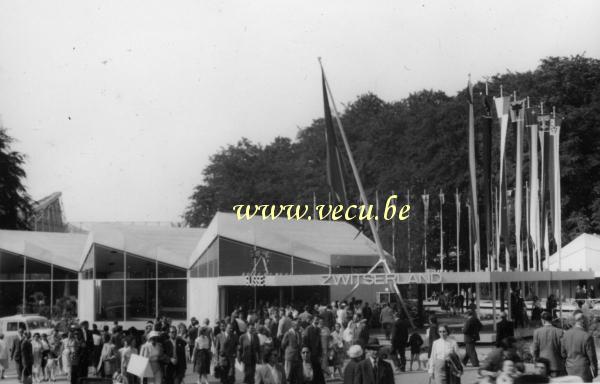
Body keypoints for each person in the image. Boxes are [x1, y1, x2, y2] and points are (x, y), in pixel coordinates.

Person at [560, 312, 598, 382]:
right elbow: (592, 357)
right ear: (583, 321)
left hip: (569, 369)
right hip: (583, 371)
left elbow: (563, 354)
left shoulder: (566, 335)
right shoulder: (587, 336)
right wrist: (595, 371)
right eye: (587, 321)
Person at [532, 311, 564, 377]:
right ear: (551, 320)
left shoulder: (537, 332)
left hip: (542, 365)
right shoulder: (559, 332)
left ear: (542, 320)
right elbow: (563, 349)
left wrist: (535, 360)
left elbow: (535, 349)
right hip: (556, 363)